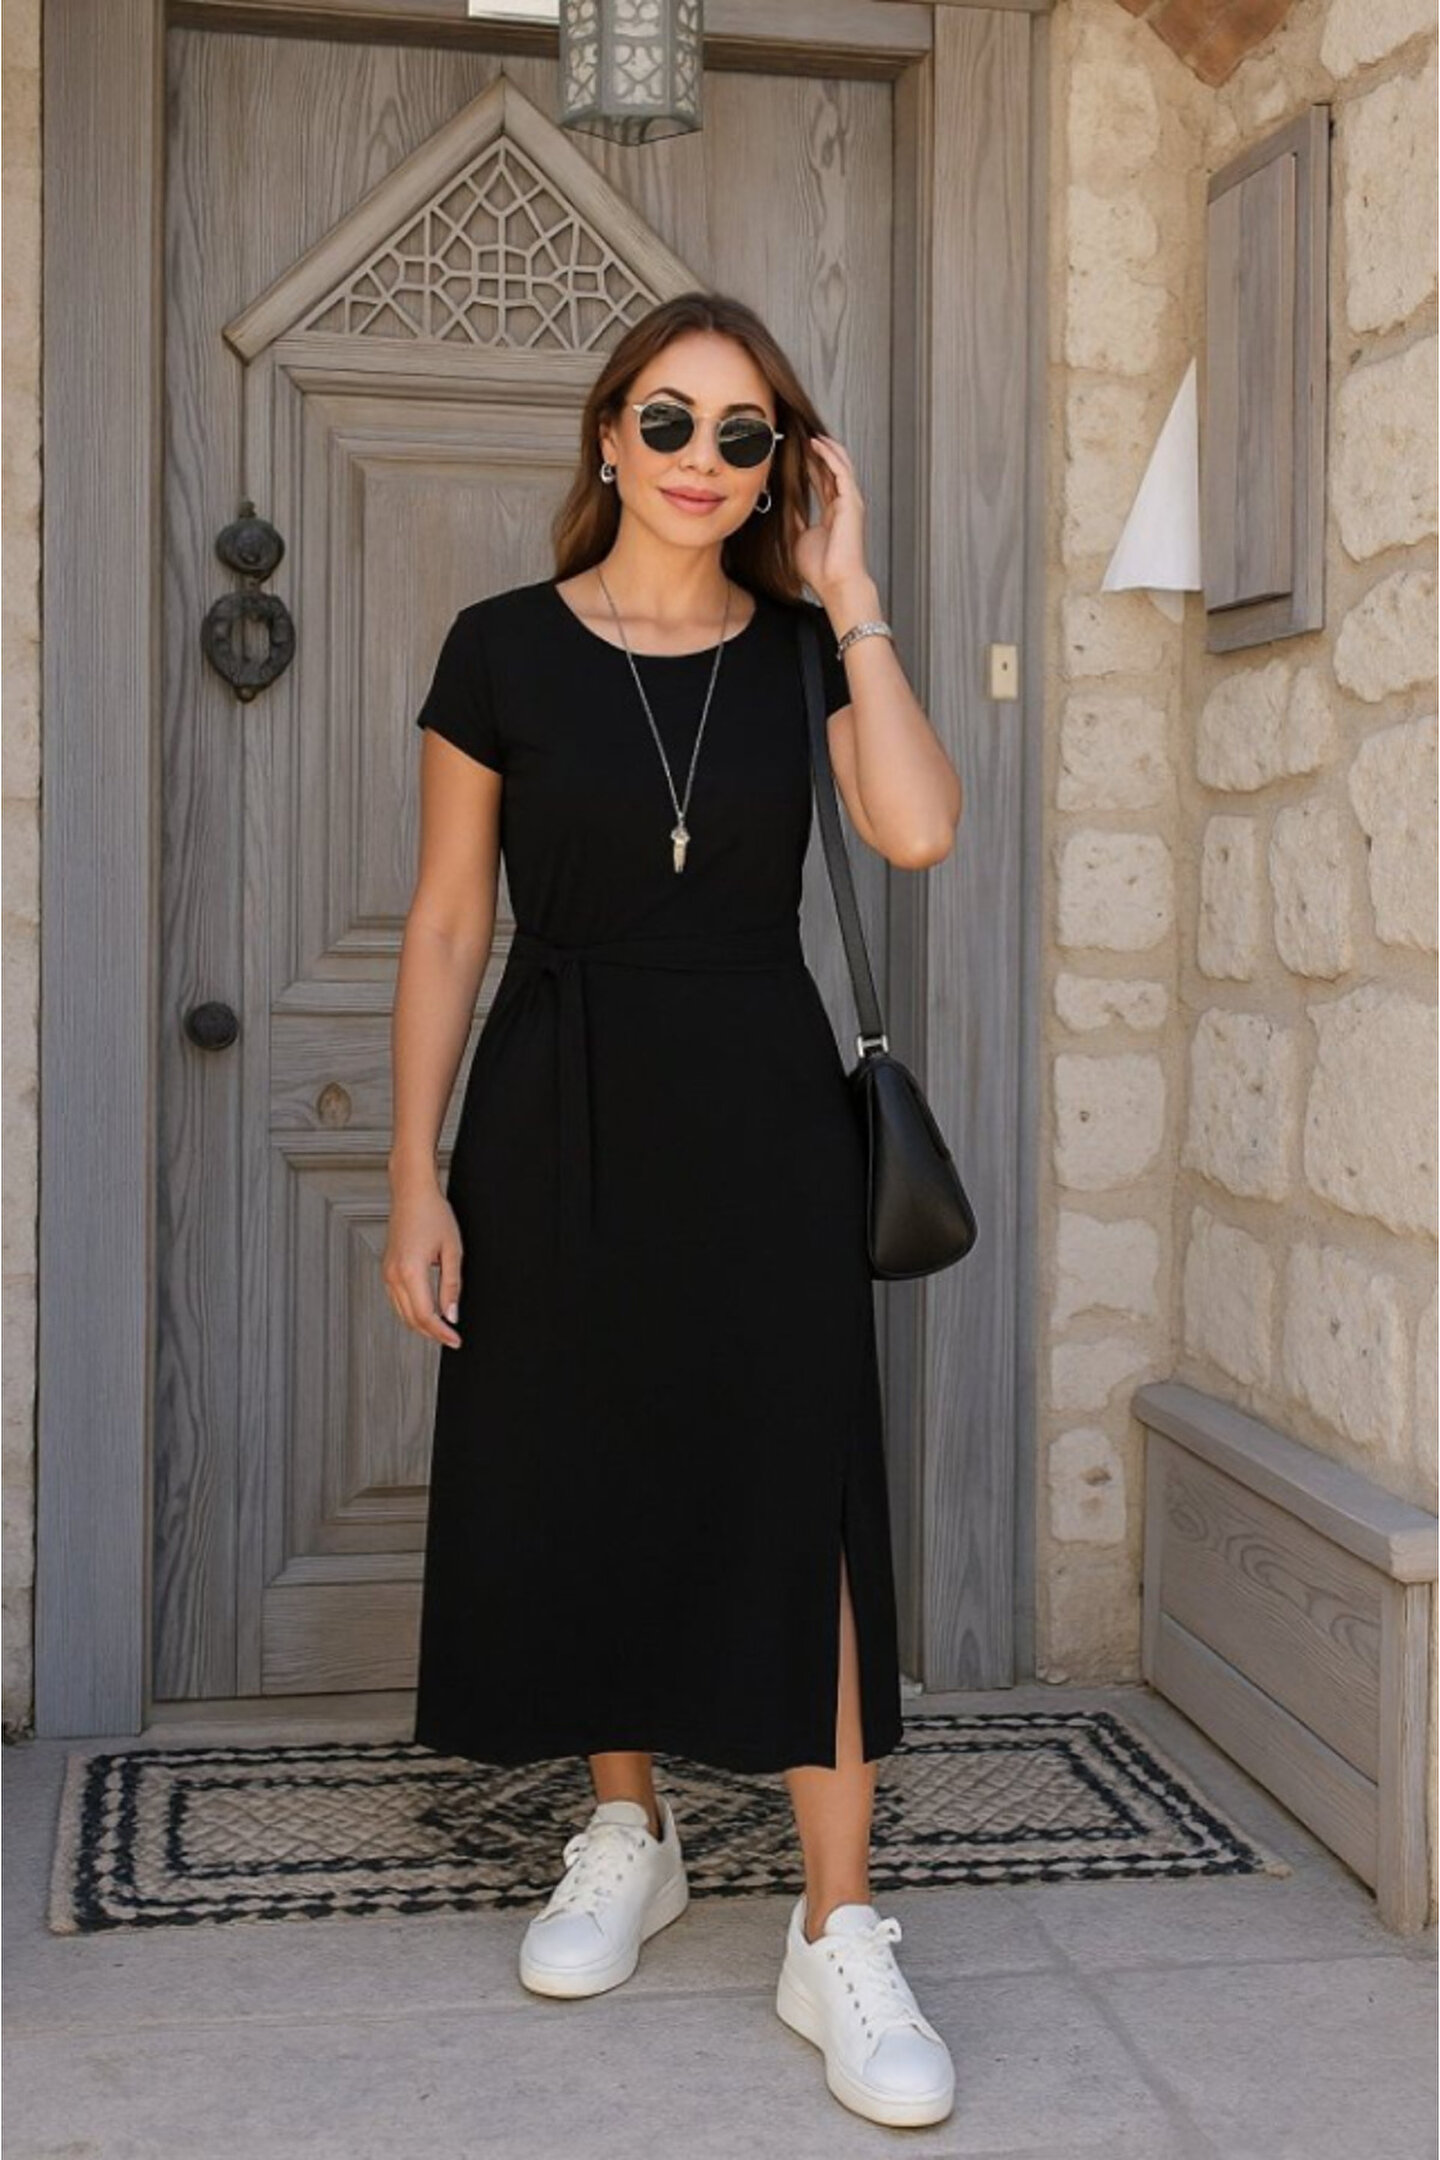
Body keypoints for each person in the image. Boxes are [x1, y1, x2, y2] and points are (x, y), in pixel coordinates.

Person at [385, 289, 964, 2130]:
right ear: (607, 435)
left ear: (781, 464)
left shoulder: (801, 652)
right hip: (551, 1104)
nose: (700, 460)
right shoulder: (499, 649)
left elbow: (918, 828)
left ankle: (837, 1925)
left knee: (804, 1486)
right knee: (586, 1460)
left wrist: (852, 590)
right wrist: (413, 1172)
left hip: (762, 1116)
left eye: (742, 434)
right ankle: (626, 1831)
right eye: (667, 421)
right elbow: (448, 922)